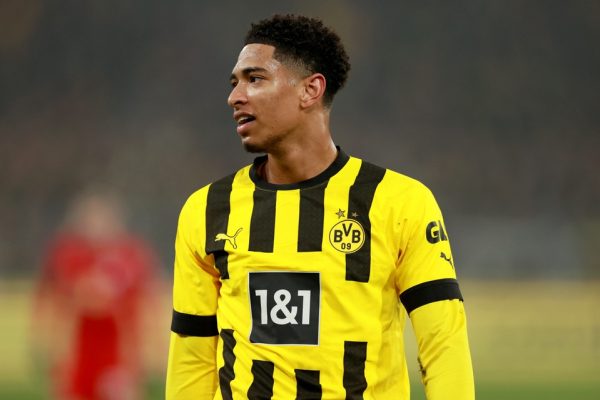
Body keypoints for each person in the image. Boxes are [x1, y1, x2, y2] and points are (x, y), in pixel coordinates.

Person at [166, 14, 474, 399]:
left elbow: (443, 344)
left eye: (255, 79)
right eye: (234, 83)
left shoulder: (399, 202)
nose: (235, 97)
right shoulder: (207, 210)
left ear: (310, 90)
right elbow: (192, 356)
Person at [33, 189, 162, 400]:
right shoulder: (69, 254)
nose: (97, 225)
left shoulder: (131, 254)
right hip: (78, 356)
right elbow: (52, 302)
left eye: (102, 218)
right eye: (91, 218)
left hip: (118, 355)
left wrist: (153, 351)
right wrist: (47, 348)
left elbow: (148, 303)